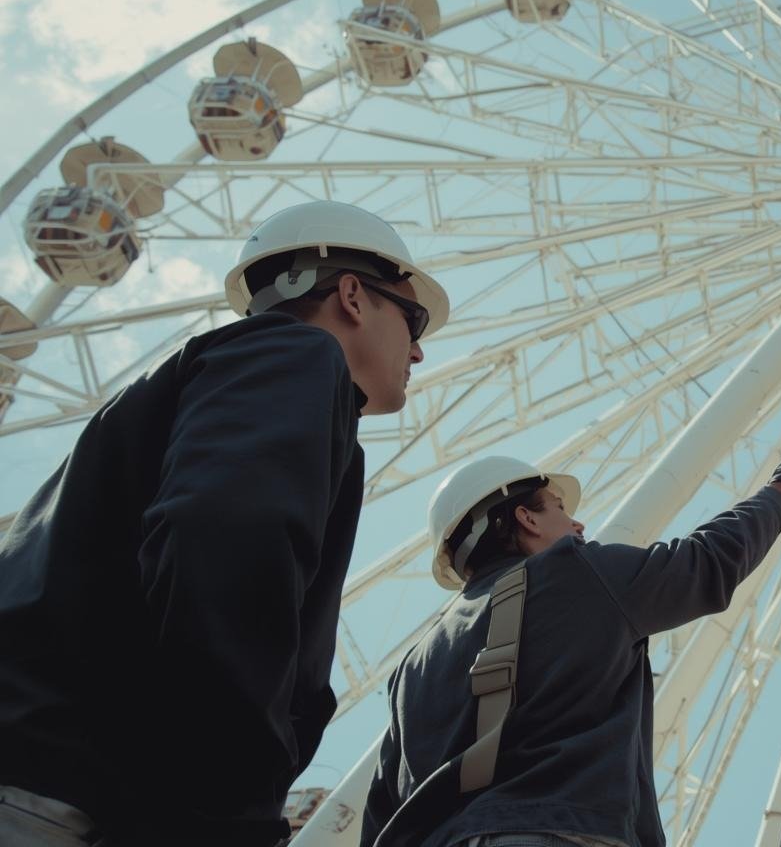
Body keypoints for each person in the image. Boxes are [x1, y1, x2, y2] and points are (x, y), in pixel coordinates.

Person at [0, 200, 450, 846]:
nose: (420, 350)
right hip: (65, 797)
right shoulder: (294, 355)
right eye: (412, 318)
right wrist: (223, 808)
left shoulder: (183, 387)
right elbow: (227, 543)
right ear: (352, 295)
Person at [360, 434, 781, 847]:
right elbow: (707, 562)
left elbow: (384, 808)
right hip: (549, 828)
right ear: (525, 518)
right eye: (562, 509)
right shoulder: (576, 573)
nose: (578, 525)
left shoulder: (413, 667)